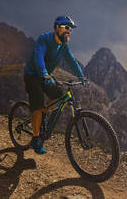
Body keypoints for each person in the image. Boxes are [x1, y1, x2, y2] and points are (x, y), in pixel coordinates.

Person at [24, 15, 88, 154]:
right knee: (37, 105)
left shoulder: (64, 46)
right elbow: (38, 56)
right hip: (33, 75)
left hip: (47, 76)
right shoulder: (44, 39)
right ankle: (35, 139)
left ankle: (44, 113)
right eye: (66, 27)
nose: (69, 31)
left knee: (59, 96)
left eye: (70, 29)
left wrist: (81, 77)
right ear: (57, 27)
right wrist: (44, 73)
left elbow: (72, 62)